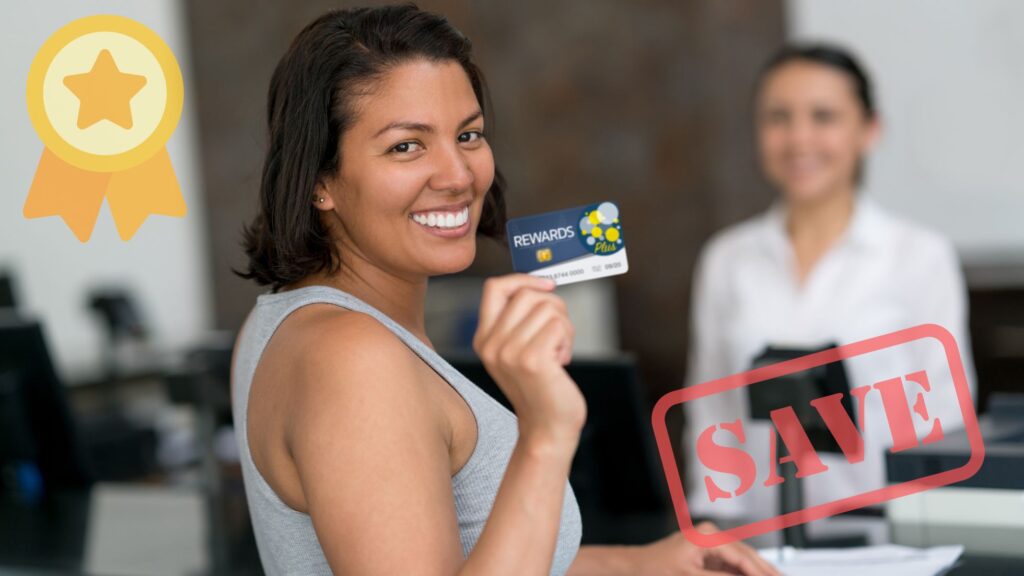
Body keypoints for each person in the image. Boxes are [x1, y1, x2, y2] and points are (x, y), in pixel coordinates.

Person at [231, 5, 778, 575]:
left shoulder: (288, 320)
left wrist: (634, 564)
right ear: (321, 182)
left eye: (467, 135)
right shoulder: (353, 359)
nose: (458, 175)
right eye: (406, 146)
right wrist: (545, 433)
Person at [683, 44, 975, 528]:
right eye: (779, 117)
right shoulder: (726, 259)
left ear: (869, 130)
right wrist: (714, 526)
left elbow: (944, 417)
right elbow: (711, 407)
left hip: (885, 538)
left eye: (824, 116)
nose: (799, 138)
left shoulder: (920, 257)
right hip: (756, 542)